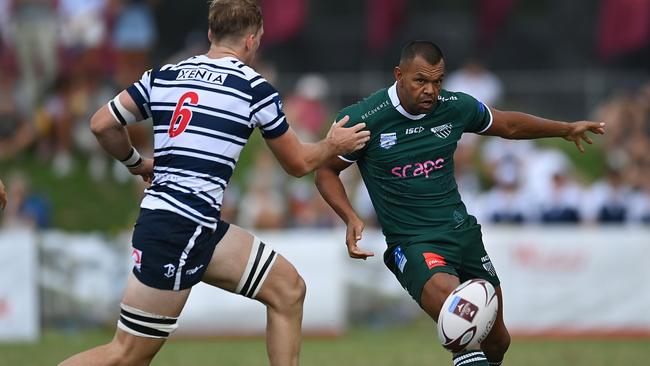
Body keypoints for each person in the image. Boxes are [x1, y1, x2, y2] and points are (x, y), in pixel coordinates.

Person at [59, 1, 370, 365]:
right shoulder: (254, 88)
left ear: (210, 34)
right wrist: (333, 145)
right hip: (180, 227)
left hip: (195, 225)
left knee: (288, 290)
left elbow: (101, 123)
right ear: (253, 40)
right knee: (127, 354)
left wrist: (135, 162)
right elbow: (299, 163)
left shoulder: (164, 75)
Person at [315, 40, 605, 366]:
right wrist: (351, 217)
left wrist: (564, 129)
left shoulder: (455, 107)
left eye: (437, 81)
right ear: (399, 74)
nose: (430, 90)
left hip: (462, 234)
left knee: (497, 342)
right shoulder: (364, 119)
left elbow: (507, 124)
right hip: (413, 243)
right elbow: (326, 171)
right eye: (420, 80)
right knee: (461, 325)